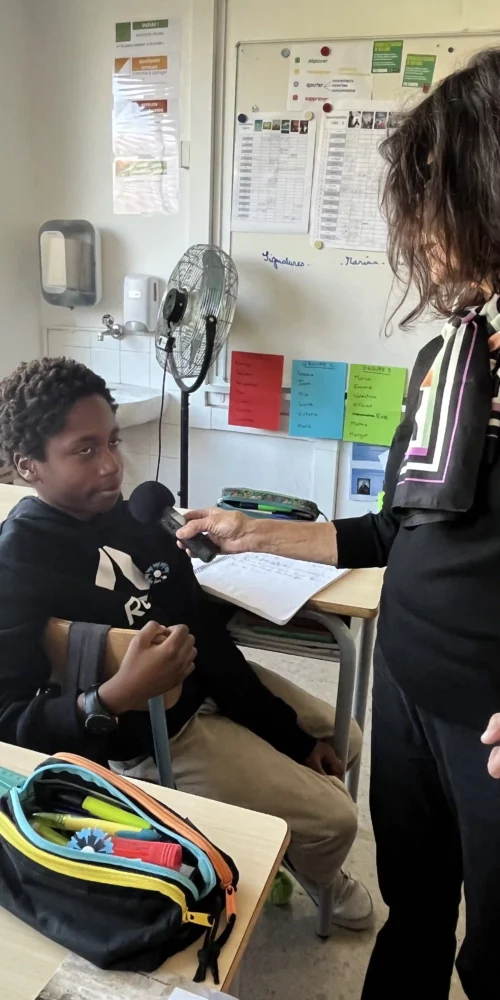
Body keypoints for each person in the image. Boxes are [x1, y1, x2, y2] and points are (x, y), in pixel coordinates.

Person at [178, 49, 500, 1000]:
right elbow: (397, 530)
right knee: (415, 904)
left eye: (433, 193)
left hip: (486, 716)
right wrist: (254, 532)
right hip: (407, 685)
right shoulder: (453, 358)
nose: (420, 227)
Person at [0, 356, 373, 931]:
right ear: (29, 466)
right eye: (85, 450)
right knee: (336, 820)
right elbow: (10, 727)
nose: (111, 465)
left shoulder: (135, 520)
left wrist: (290, 738)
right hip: (145, 739)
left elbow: (207, 641)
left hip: (200, 684)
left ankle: (277, 843)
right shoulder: (18, 563)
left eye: (113, 442)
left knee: (344, 738)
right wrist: (111, 698)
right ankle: (312, 867)